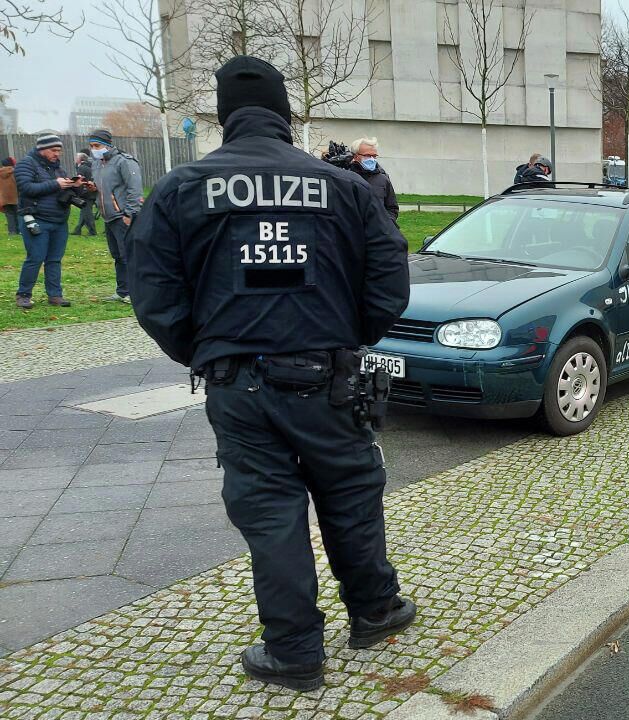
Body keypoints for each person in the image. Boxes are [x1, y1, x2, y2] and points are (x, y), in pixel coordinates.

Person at [127, 56, 415, 692]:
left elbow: (152, 295)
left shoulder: (180, 189)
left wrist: (209, 351)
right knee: (350, 493)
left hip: (238, 386)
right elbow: (391, 280)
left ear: (224, 117)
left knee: (270, 513)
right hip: (330, 377)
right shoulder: (343, 187)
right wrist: (349, 336)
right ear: (286, 115)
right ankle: (377, 610)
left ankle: (293, 652)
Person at [13, 134, 80, 309]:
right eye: (53, 150)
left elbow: (62, 193)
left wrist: (76, 187)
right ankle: (23, 294)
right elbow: (26, 188)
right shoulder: (25, 163)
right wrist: (56, 184)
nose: (57, 154)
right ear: (41, 149)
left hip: (59, 221)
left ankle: (55, 295)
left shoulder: (58, 169)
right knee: (35, 258)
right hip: (36, 218)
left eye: (59, 150)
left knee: (55, 259)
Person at [87, 129, 142, 304]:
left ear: (107, 145)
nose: (94, 149)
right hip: (107, 216)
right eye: (91, 146)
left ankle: (135, 292)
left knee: (128, 255)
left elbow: (135, 189)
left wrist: (130, 213)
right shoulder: (96, 164)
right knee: (118, 255)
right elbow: (102, 187)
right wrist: (92, 188)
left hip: (122, 216)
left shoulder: (124, 162)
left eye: (97, 145)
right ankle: (122, 290)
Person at [349, 137, 399, 224]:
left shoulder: (383, 179)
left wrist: (386, 224)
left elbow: (392, 208)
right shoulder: (345, 176)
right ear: (355, 156)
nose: (372, 159)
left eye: (374, 156)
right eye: (368, 155)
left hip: (377, 233)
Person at [72, 150, 98, 236]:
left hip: (86, 192)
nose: (75, 159)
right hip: (92, 191)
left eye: (76, 157)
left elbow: (80, 179)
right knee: (84, 211)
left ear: (80, 159)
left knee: (87, 212)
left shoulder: (82, 168)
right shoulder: (91, 166)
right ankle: (77, 229)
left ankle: (92, 231)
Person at [0, 156, 18, 236]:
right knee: (18, 214)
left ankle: (12, 232)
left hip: (4, 198)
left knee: (9, 215)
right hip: (16, 197)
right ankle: (19, 230)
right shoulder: (15, 172)